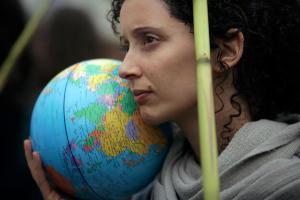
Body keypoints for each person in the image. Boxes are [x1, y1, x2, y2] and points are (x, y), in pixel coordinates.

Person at [24, 0, 300, 199]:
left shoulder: (289, 182)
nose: (124, 67)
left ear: (224, 51)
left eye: (149, 39)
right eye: (126, 45)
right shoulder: (143, 185)